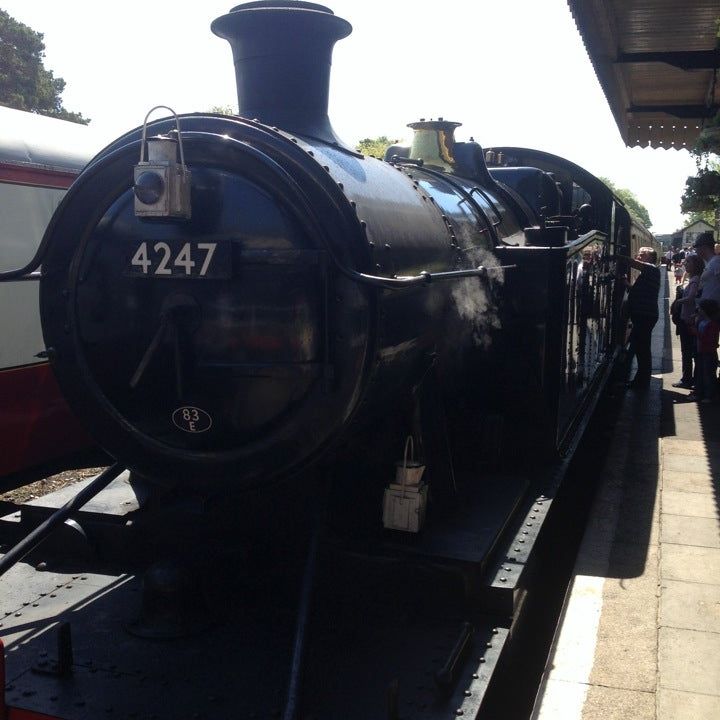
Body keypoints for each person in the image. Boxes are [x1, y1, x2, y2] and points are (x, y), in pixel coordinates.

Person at [619, 247, 661, 389]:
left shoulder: (652, 269)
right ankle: (640, 380)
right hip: (644, 315)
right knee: (641, 348)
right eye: (639, 254)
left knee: (640, 348)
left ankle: (640, 382)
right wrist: (626, 283)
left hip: (645, 315)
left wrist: (614, 256)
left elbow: (633, 263)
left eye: (643, 255)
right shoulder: (649, 273)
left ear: (651, 258)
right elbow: (637, 292)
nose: (639, 256)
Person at [672, 253, 704, 388]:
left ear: (695, 265)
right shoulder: (693, 278)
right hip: (688, 320)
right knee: (689, 352)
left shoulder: (695, 279)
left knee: (688, 352)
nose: (685, 264)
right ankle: (691, 379)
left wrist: (678, 301)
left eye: (688, 262)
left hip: (689, 321)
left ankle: (687, 380)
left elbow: (691, 298)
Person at [689, 298, 720, 404]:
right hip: (701, 351)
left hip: (708, 353)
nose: (698, 310)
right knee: (701, 373)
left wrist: (696, 333)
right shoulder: (702, 321)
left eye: (700, 309)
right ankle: (700, 393)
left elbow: (709, 340)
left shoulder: (712, 325)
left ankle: (709, 395)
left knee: (708, 375)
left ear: (706, 311)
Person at [693, 232, 720, 303]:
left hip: (713, 312)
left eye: (696, 247)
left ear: (704, 247)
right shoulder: (711, 263)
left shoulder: (716, 263)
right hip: (705, 311)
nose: (695, 251)